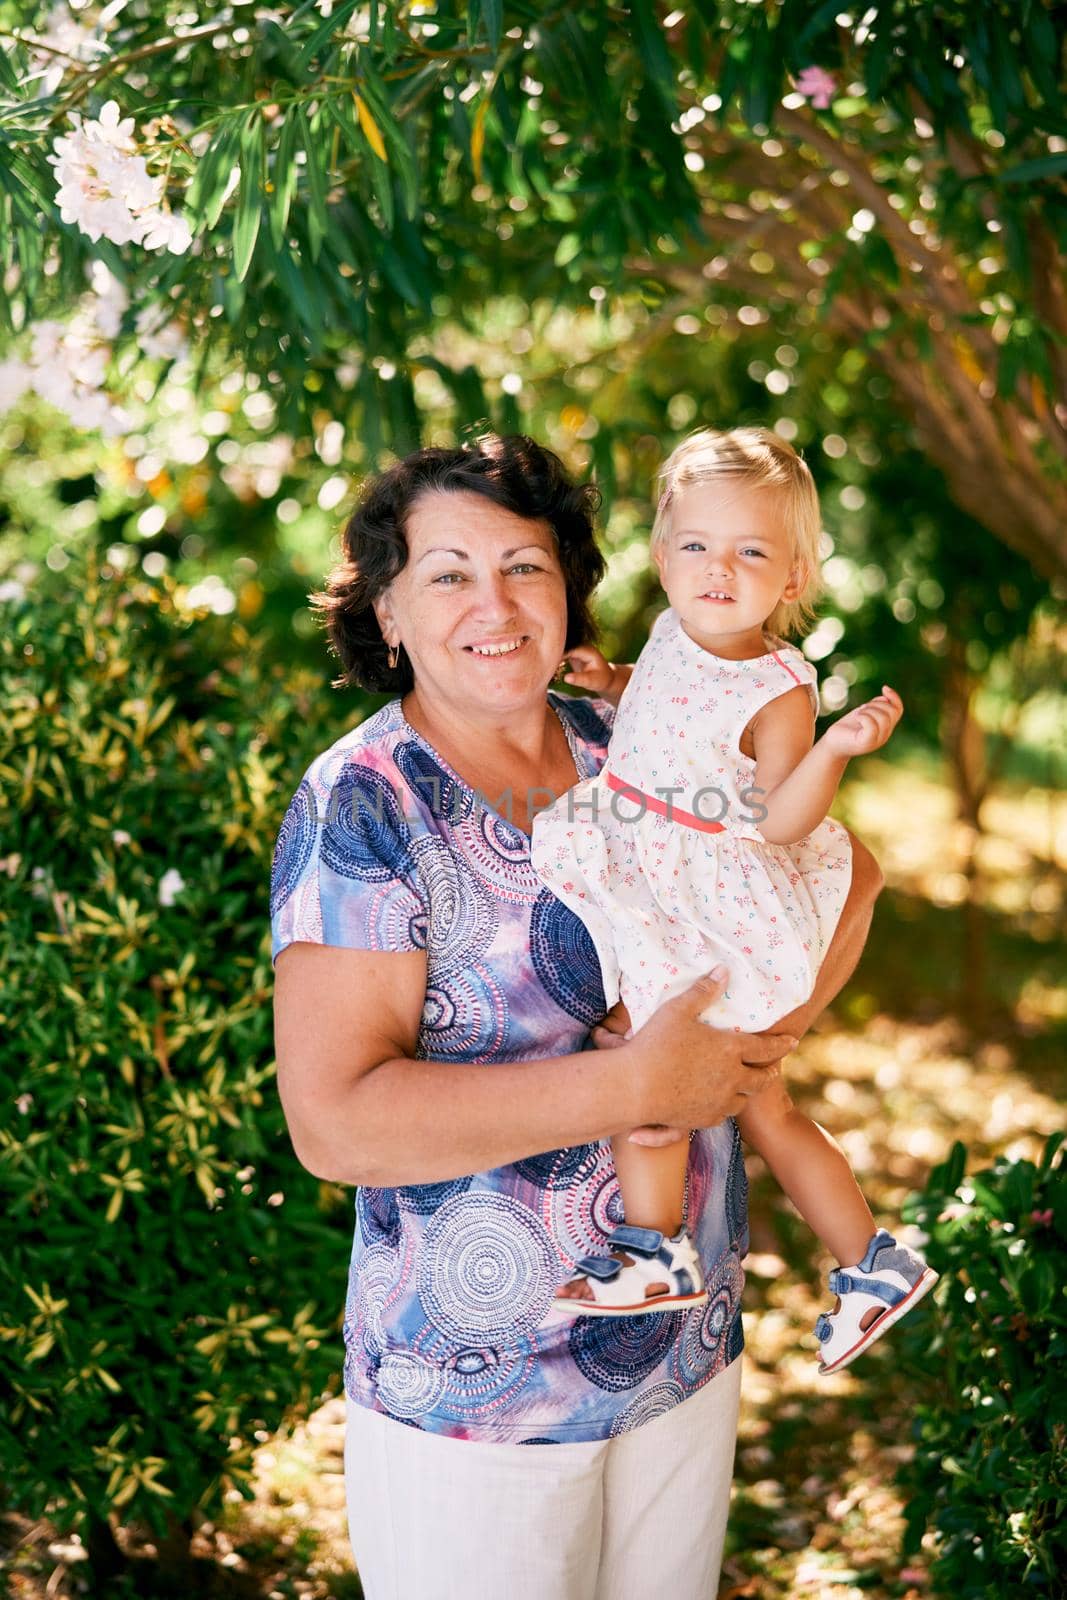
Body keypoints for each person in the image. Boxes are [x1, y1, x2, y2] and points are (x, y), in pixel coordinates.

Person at [270, 434, 884, 1600]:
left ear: (571, 588)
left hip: (681, 1359)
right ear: (387, 609)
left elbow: (845, 882)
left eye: (526, 566)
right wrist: (642, 1086)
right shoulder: (361, 801)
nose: (492, 603)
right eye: (447, 572)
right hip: (474, 1402)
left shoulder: (635, 742)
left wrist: (753, 1042)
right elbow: (336, 1125)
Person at [531, 427, 937, 1372]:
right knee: (764, 1105)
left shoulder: (778, 688)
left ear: (791, 579)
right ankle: (870, 1262)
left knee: (644, 1047)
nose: (719, 569)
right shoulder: (674, 628)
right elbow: (674, 704)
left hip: (711, 887)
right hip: (652, 852)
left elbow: (783, 819)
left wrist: (832, 751)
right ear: (663, 552)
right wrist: (612, 680)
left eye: (751, 552)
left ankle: (652, 1245)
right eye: (696, 546)